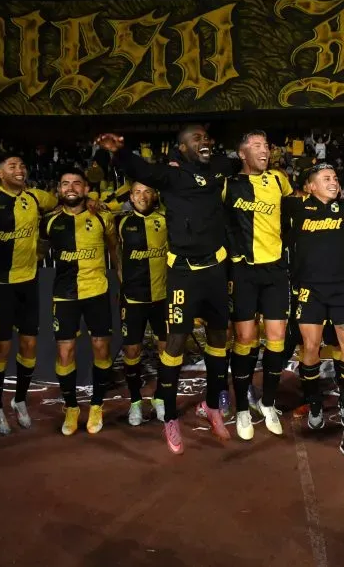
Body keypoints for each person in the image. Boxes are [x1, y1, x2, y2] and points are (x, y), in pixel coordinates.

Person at [96, 125, 237, 454]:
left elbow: (239, 165)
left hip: (215, 271)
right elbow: (138, 169)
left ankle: (212, 406)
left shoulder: (219, 167)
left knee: (220, 339)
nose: (204, 142)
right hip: (183, 275)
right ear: (182, 149)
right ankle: (170, 415)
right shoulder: (170, 176)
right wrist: (116, 150)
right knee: (174, 343)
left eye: (205, 137)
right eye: (195, 140)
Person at [0, 154, 58, 435]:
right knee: (2, 348)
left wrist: (43, 244)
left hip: (29, 282)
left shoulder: (35, 198)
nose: (19, 170)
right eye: (12, 166)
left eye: (22, 165)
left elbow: (58, 203)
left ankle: (19, 399)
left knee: (29, 346)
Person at [223, 131, 296, 440]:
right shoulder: (228, 185)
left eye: (266, 145)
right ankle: (242, 408)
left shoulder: (279, 180)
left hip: (277, 271)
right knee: (245, 339)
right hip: (244, 273)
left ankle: (268, 402)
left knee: (277, 338)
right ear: (242, 153)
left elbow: (294, 213)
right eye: (256, 146)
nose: (264, 150)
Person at [284, 163, 344, 429]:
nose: (334, 182)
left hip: (342, 287)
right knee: (310, 346)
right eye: (326, 178)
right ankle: (314, 400)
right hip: (309, 289)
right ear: (311, 185)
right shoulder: (295, 208)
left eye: (336, 178)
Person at [40, 169, 117, 436]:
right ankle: (71, 407)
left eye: (76, 183)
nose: (71, 188)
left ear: (86, 189)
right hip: (64, 295)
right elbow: (38, 251)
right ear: (59, 190)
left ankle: (96, 405)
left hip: (97, 291)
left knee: (102, 350)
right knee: (65, 353)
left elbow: (114, 248)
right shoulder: (49, 221)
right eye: (65, 184)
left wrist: (120, 276)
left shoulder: (101, 217)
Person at [117, 182, 169, 427]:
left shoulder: (166, 219)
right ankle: (136, 402)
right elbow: (113, 251)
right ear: (130, 196)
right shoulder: (121, 222)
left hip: (162, 297)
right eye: (137, 192)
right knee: (131, 352)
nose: (142, 196)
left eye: (148, 191)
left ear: (154, 194)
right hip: (133, 299)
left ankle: (160, 397)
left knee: (166, 350)